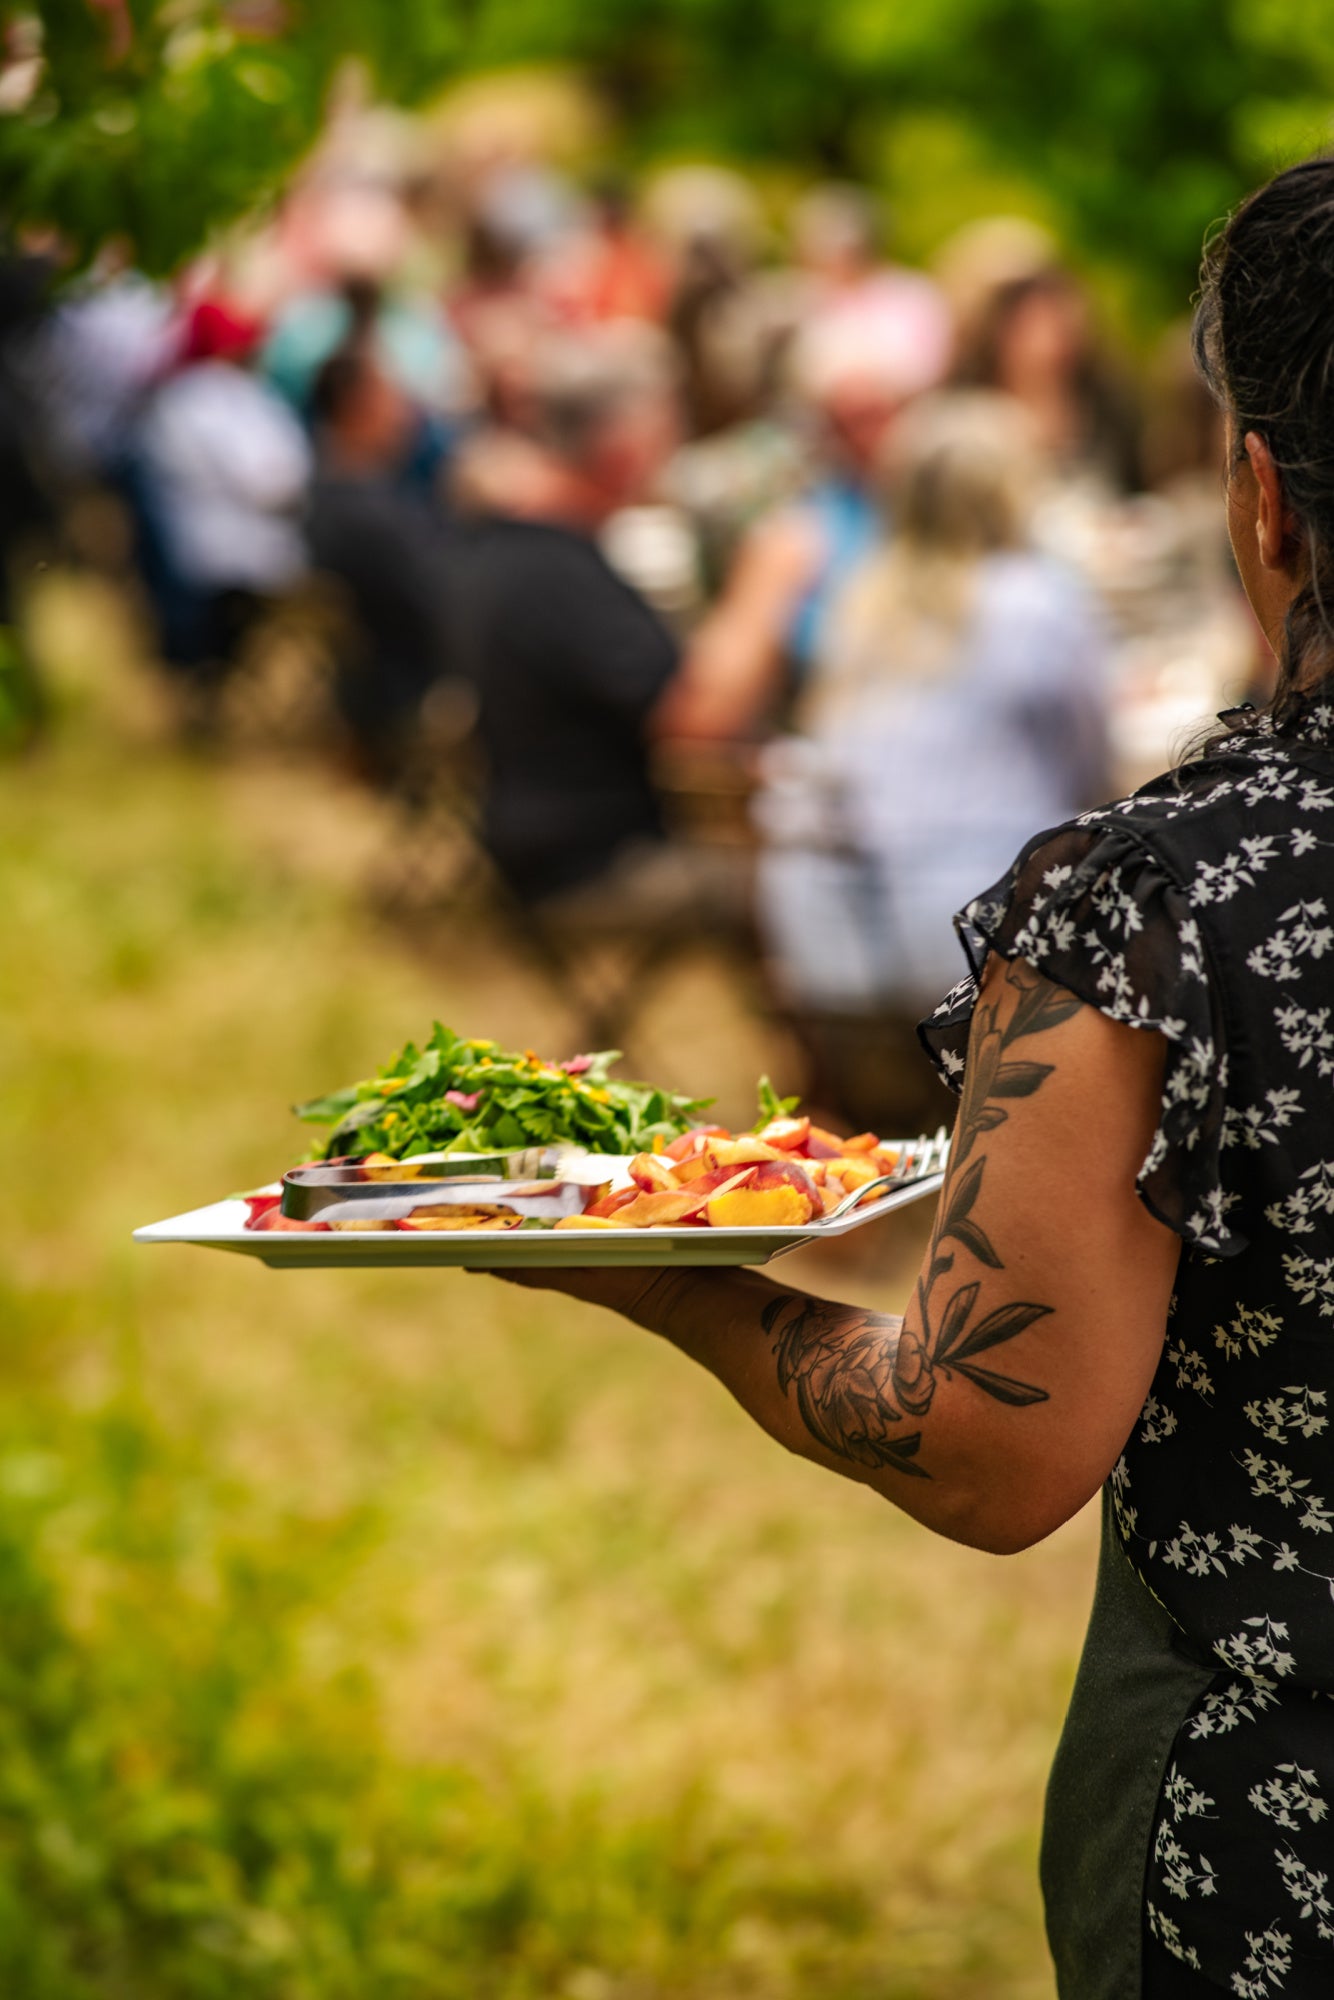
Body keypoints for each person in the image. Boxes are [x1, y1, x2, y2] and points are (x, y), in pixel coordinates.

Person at [499, 156, 1334, 1998]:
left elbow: (978, 1442)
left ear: (1258, 500)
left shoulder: (1158, 904)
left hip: (1279, 1833)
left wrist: (665, 1284)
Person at [754, 391, 1109, 1132]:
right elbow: (1094, 775)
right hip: (978, 943)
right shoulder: (1034, 602)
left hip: (832, 947)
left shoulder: (860, 599)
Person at [446, 325, 684, 911]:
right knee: (796, 887)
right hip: (585, 864)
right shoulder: (556, 568)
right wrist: (765, 593)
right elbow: (687, 718)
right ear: (620, 447)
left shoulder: (512, 540)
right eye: (662, 431)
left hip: (537, 838)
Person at [306, 338, 455, 782]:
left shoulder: (338, 489)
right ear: (359, 406)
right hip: (408, 683)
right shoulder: (366, 513)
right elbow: (438, 602)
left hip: (379, 678)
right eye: (393, 395)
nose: (406, 411)